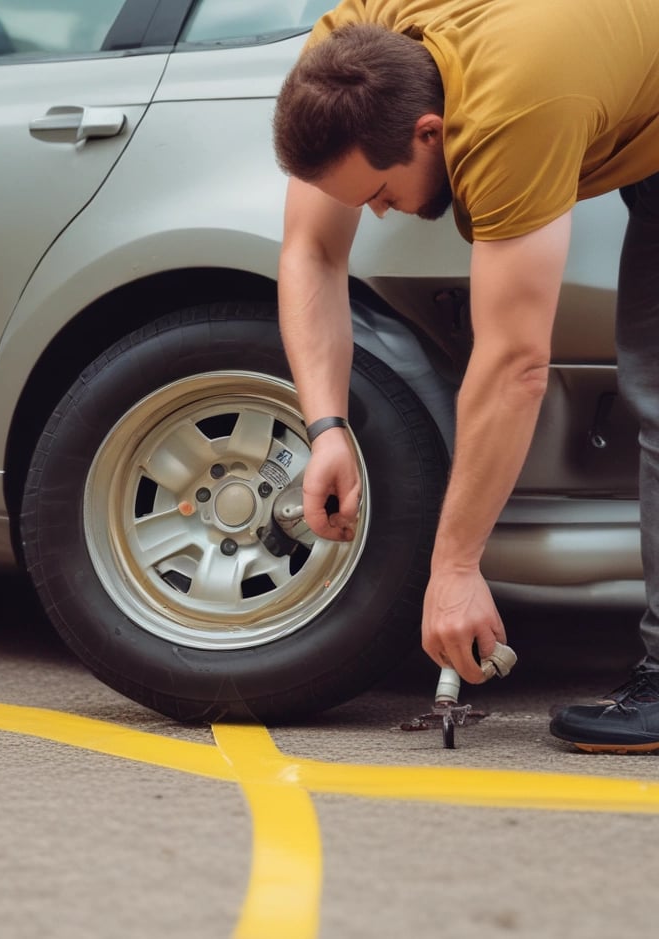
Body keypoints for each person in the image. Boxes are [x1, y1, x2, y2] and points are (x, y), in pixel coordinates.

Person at [272, 0, 659, 752]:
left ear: (429, 132)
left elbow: (515, 364)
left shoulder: (511, 109)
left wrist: (454, 568)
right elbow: (313, 253)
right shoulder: (343, 56)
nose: (379, 214)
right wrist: (326, 426)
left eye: (381, 192)